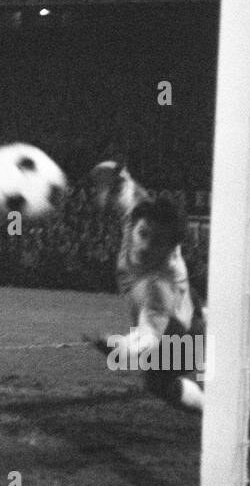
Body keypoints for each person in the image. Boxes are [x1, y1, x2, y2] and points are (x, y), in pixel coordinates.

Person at [85, 160, 203, 411]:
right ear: (135, 225)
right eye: (144, 234)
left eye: (158, 241)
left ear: (172, 247)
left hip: (183, 332)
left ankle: (211, 409)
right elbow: (126, 185)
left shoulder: (160, 283)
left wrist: (121, 347)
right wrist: (113, 180)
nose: (146, 245)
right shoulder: (140, 214)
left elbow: (151, 334)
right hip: (165, 310)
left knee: (159, 383)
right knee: (156, 383)